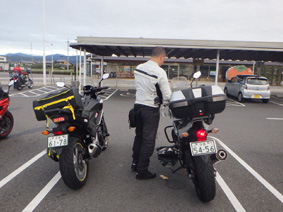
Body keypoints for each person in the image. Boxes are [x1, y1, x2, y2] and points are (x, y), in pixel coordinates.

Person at [131, 46, 172, 180]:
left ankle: (135, 163)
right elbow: (167, 95)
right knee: (148, 141)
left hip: (137, 106)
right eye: (163, 59)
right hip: (150, 109)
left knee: (139, 136)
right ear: (161, 57)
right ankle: (142, 171)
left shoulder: (138, 68)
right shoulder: (160, 72)